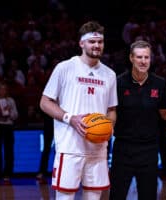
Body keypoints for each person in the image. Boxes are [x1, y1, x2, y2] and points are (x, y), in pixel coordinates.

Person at [39, 21, 117, 200]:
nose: (97, 45)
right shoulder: (65, 68)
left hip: (98, 148)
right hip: (70, 147)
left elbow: (112, 109)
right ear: (81, 43)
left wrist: (109, 127)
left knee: (94, 196)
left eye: (100, 42)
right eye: (92, 41)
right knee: (65, 197)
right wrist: (70, 118)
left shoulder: (110, 74)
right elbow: (44, 102)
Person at [109, 40, 166, 200]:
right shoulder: (118, 83)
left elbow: (165, 113)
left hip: (149, 150)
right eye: (139, 57)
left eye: (147, 57)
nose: (143, 61)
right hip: (123, 149)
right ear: (131, 58)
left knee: (148, 196)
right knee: (116, 196)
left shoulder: (160, 83)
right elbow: (111, 112)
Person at [0, 83, 18, 185]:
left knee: (9, 151)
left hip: (9, 126)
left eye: (5, 89)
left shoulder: (11, 101)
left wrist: (9, 113)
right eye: (1, 89)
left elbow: (15, 115)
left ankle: (7, 175)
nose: (3, 91)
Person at [36, 113, 54, 184]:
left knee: (60, 151)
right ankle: (42, 172)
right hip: (49, 124)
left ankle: (61, 172)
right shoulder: (48, 102)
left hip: (61, 125)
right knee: (46, 150)